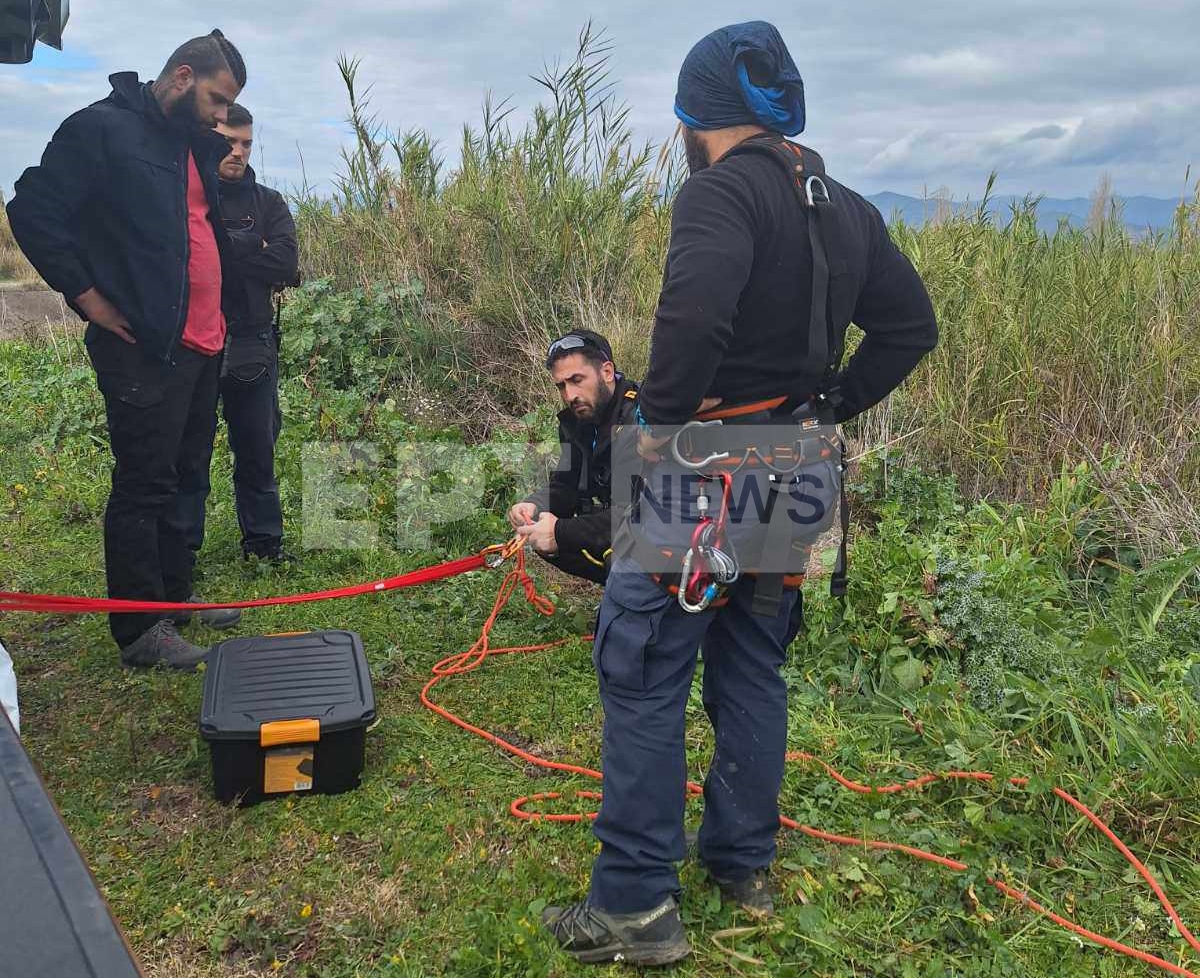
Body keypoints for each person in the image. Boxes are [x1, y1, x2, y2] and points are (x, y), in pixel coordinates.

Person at [541, 22, 938, 965]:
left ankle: (635, 905)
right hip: (798, 470)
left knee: (641, 667)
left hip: (705, 476)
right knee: (754, 664)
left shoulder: (716, 194)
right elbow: (909, 327)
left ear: (698, 116)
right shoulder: (844, 206)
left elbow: (692, 322)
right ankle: (741, 866)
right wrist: (829, 403)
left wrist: (658, 440)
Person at [6, 31, 248, 671]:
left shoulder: (189, 146)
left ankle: (173, 597)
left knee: (187, 477)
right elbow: (32, 209)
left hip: (201, 343)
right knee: (145, 483)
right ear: (182, 76)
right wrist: (88, 297)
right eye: (217, 100)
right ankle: (140, 629)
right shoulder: (101, 130)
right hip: (143, 348)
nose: (221, 117)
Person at [176, 102, 299, 564]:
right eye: (229, 141)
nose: (238, 152)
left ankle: (265, 546)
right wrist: (254, 247)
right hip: (194, 343)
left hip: (253, 340)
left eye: (247, 143)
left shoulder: (269, 201)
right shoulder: (189, 199)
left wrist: (222, 251)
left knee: (257, 450)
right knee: (189, 456)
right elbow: (181, 262)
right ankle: (182, 553)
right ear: (210, 138)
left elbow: (286, 263)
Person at [507, 330, 639, 584]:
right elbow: (565, 484)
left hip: (657, 533)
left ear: (607, 372)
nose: (569, 395)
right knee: (542, 538)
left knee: (615, 555)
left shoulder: (638, 419)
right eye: (561, 386)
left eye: (577, 380)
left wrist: (561, 532)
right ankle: (619, 591)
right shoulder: (577, 421)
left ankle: (635, 602)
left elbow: (639, 515)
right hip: (612, 525)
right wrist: (535, 505)